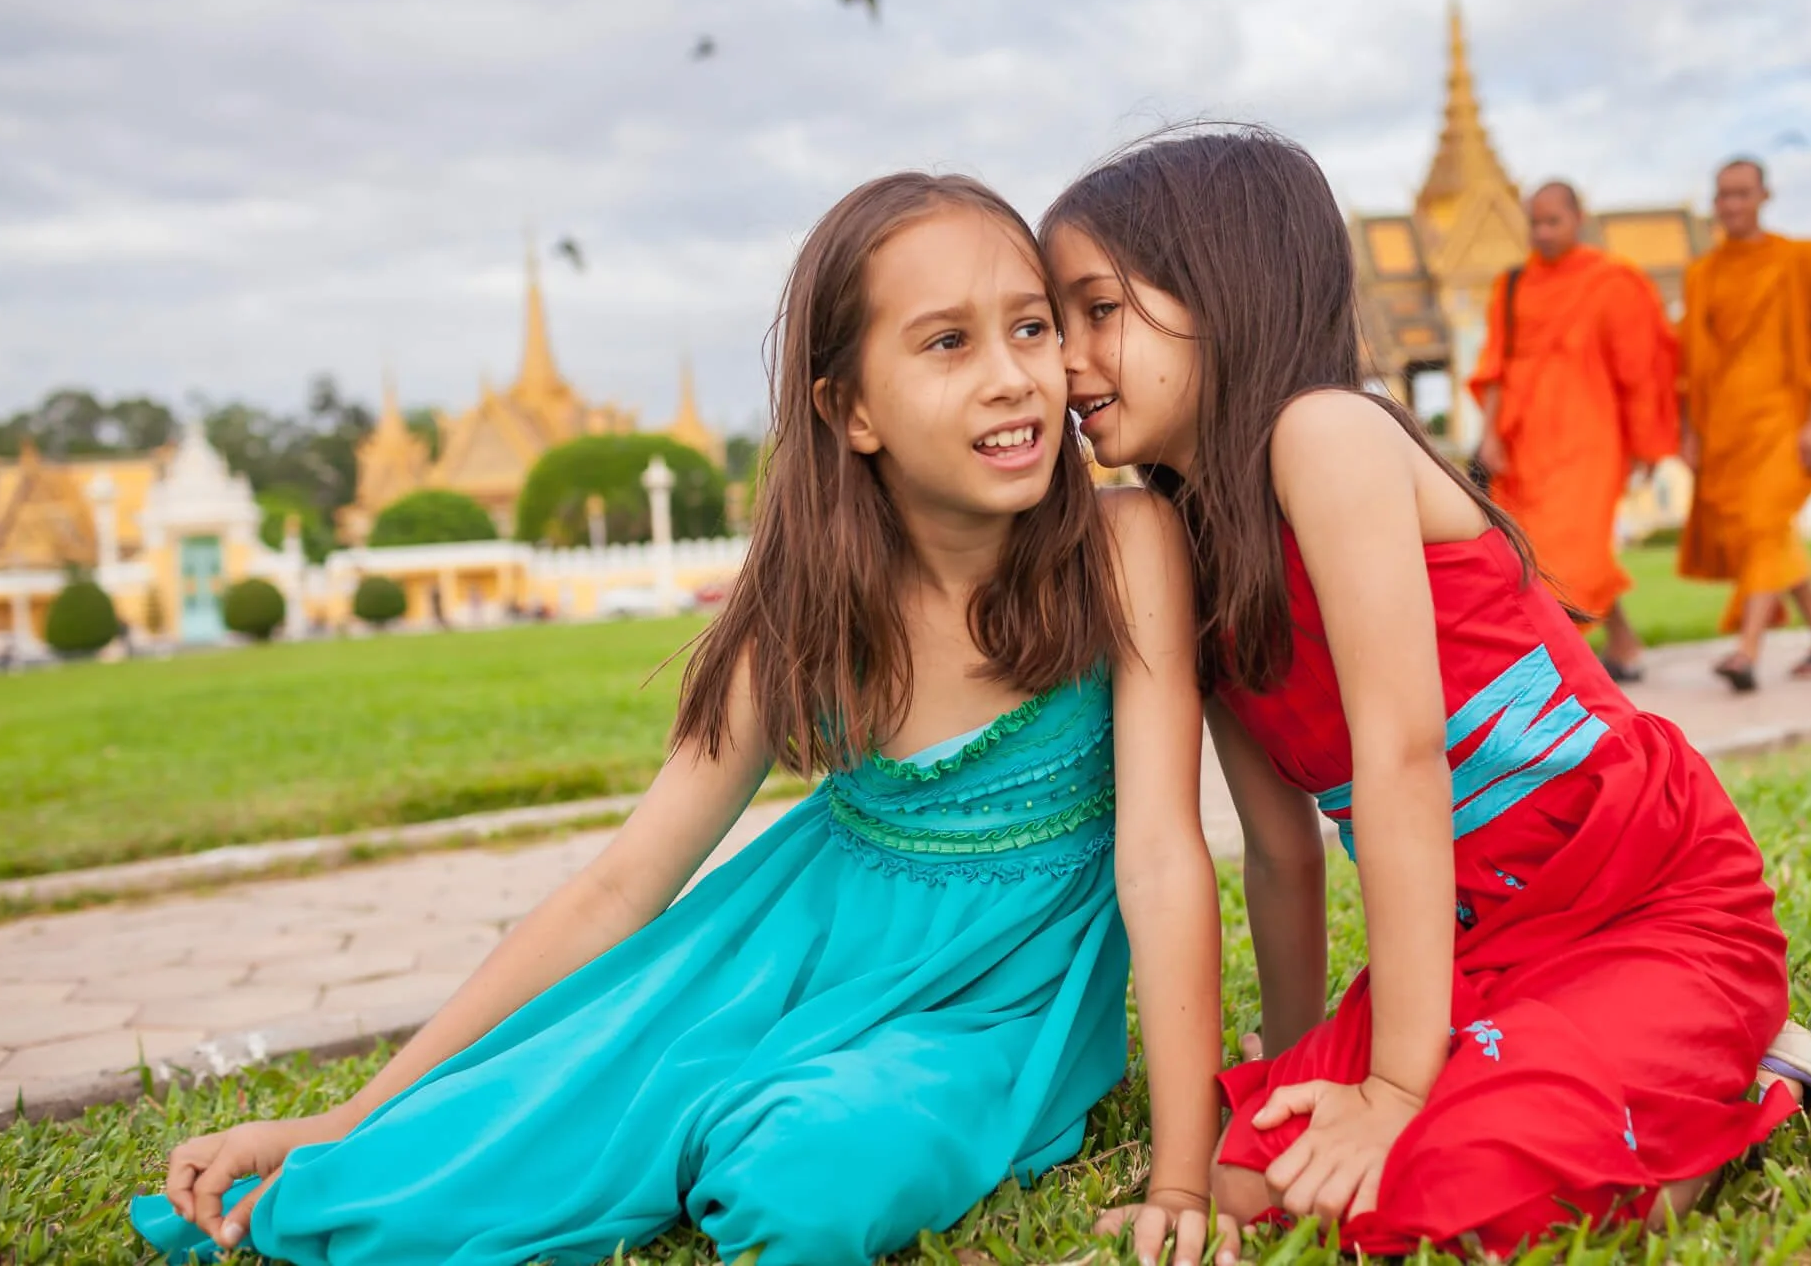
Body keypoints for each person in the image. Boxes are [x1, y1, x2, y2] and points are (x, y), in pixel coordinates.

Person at [130, 174, 1235, 1266]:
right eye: (946, 343)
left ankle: (766, 1119)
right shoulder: (804, 615)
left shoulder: (1123, 549)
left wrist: (1182, 1178)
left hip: (986, 1023)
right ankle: (640, 1110)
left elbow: (1156, 857)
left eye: (1029, 328)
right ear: (848, 410)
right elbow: (621, 885)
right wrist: (350, 1115)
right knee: (497, 1135)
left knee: (800, 1186)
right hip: (775, 968)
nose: (1011, 378)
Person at [1042, 126, 1811, 1257]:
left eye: (1096, 312)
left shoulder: (1323, 435)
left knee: (1456, 1190)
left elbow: (1402, 758)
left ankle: (1752, 1081)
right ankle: (1572, 1078)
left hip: (1641, 902)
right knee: (1254, 1183)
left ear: (1222, 292)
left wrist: (1387, 1089)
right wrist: (1290, 1083)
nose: (1062, 362)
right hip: (1482, 945)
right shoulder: (1194, 549)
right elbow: (1278, 853)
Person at [1471, 181, 1680, 682]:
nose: (1542, 233)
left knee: (1573, 553)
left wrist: (1644, 443)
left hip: (1592, 439)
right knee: (1536, 556)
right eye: (1535, 223)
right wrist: (1490, 435)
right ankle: (1622, 645)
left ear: (1578, 217)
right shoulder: (1513, 284)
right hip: (1524, 442)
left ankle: (1565, 671)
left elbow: (1640, 371)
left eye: (1553, 222)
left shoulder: (1613, 282)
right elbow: (1497, 364)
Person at [1680, 158, 1811, 693]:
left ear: (1765, 196)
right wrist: (1690, 431)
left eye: (1742, 194)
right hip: (1727, 427)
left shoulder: (1800, 261)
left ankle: (1747, 650)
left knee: (1764, 525)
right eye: (1723, 196)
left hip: (1786, 419)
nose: (1732, 205)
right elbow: (1690, 364)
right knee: (1769, 533)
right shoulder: (1702, 274)